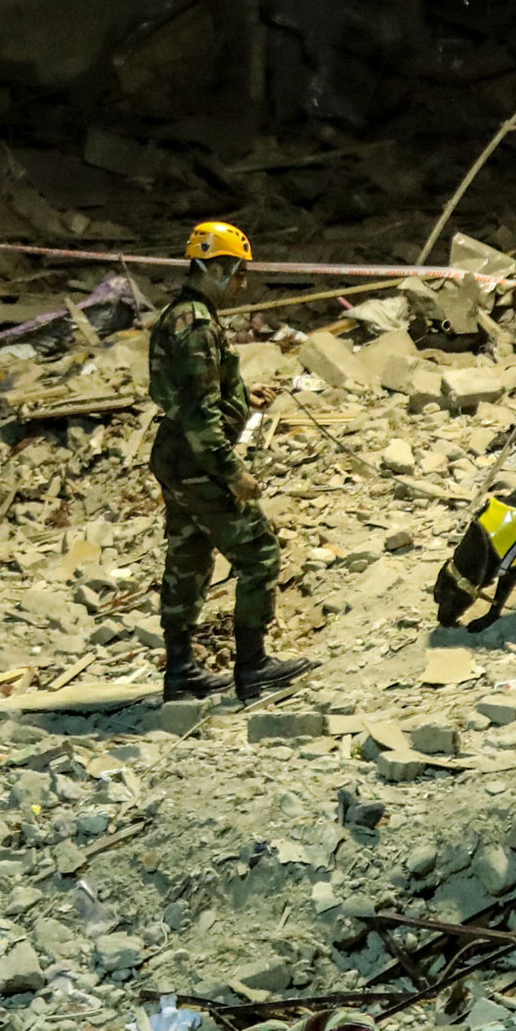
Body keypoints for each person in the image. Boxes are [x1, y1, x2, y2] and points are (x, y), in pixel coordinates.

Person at [150, 221, 312, 703]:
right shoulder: (198, 327)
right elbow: (200, 415)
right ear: (217, 269)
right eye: (239, 273)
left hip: (176, 457)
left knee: (188, 559)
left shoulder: (180, 315)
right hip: (199, 463)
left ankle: (181, 671)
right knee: (259, 555)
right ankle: (254, 666)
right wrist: (232, 472)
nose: (243, 283)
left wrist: (242, 394)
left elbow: (193, 392)